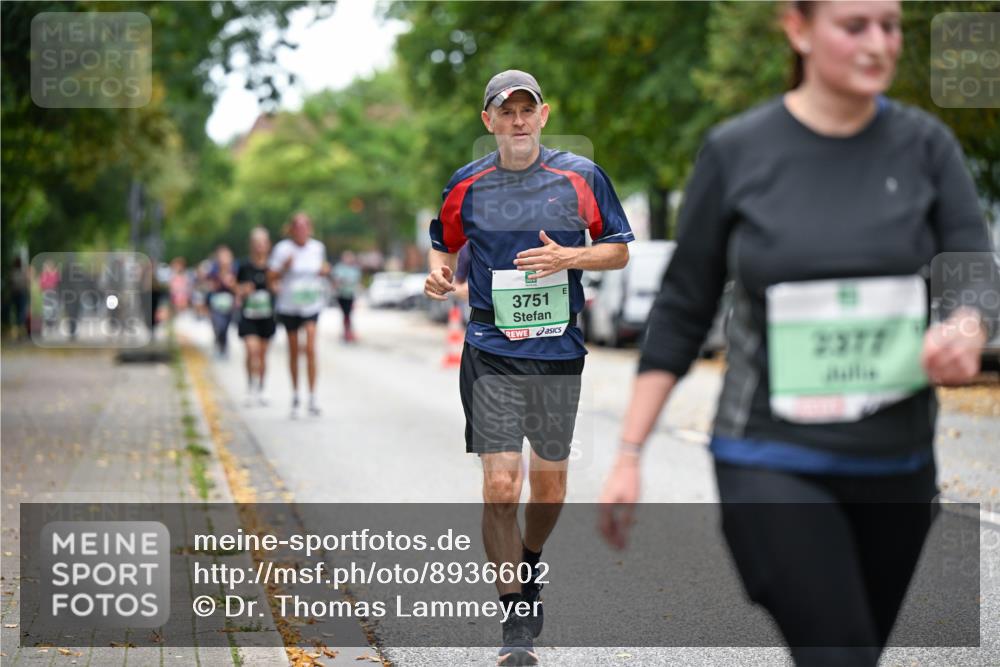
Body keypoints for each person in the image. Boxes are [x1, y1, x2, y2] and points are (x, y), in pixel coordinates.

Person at [598, 3, 996, 666]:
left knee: (853, 652)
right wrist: (630, 452)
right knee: (836, 652)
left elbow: (972, 268)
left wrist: (965, 325)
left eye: (890, 26)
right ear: (798, 28)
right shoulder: (737, 152)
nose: (879, 43)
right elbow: (682, 307)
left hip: (896, 462)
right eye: (854, 25)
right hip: (770, 454)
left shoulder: (926, 147)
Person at [424, 69, 633, 666]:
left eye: (527, 110)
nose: (517, 120)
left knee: (549, 489)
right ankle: (514, 618)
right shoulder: (467, 183)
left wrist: (572, 254)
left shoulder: (580, 177)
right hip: (490, 347)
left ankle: (530, 560)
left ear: (543, 116)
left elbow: (617, 247)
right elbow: (444, 241)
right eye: (505, 111)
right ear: (487, 120)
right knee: (499, 487)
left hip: (557, 350)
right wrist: (439, 272)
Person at [269, 212, 330, 418]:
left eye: (305, 227)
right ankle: (296, 395)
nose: (302, 230)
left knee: (311, 348)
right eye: (298, 227)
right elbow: (271, 276)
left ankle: (312, 396)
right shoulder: (282, 249)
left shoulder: (317, 248)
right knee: (294, 351)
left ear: (309, 229)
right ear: (292, 229)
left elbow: (323, 268)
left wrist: (324, 271)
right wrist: (283, 268)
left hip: (311, 304)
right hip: (289, 306)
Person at [237, 227, 277, 406]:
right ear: (251, 246)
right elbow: (236, 288)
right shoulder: (244, 266)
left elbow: (278, 286)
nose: (260, 246)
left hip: (267, 315)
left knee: (262, 354)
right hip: (249, 315)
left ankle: (262, 386)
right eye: (256, 243)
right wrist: (243, 290)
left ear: (268, 245)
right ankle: (250, 386)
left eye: (263, 243)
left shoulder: (273, 266)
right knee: (251, 350)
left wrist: (275, 287)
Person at [207, 246, 238, 358]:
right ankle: (219, 343)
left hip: (229, 303)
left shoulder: (234, 270)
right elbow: (209, 286)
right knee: (218, 325)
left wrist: (231, 284)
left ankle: (224, 347)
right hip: (216, 303)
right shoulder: (214, 270)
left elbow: (237, 288)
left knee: (225, 327)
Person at [332, 250, 361, 342]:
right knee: (345, 314)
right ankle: (346, 332)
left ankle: (348, 331)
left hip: (350, 295)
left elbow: (356, 283)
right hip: (341, 295)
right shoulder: (339, 268)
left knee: (348, 314)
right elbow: (336, 281)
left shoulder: (354, 269)